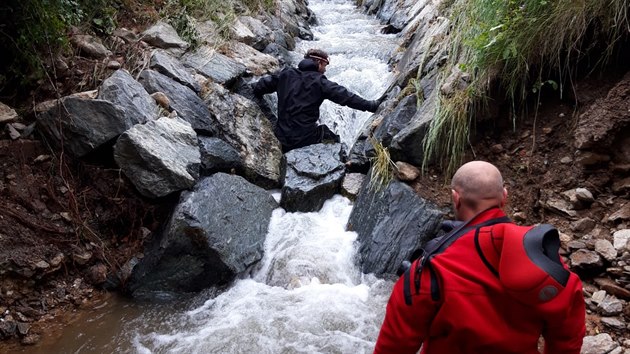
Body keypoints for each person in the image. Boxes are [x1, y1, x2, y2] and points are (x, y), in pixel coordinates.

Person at [374, 160, 586, 354]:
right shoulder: (543, 260)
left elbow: (393, 347)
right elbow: (567, 334)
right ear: (504, 196)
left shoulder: (431, 267)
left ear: (456, 199)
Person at [252, 48, 383, 152]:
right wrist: (371, 105)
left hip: (281, 138)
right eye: (325, 65)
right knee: (332, 140)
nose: (325, 70)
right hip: (305, 140)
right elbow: (347, 97)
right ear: (319, 63)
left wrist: (252, 88)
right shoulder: (320, 82)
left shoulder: (286, 74)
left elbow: (261, 86)